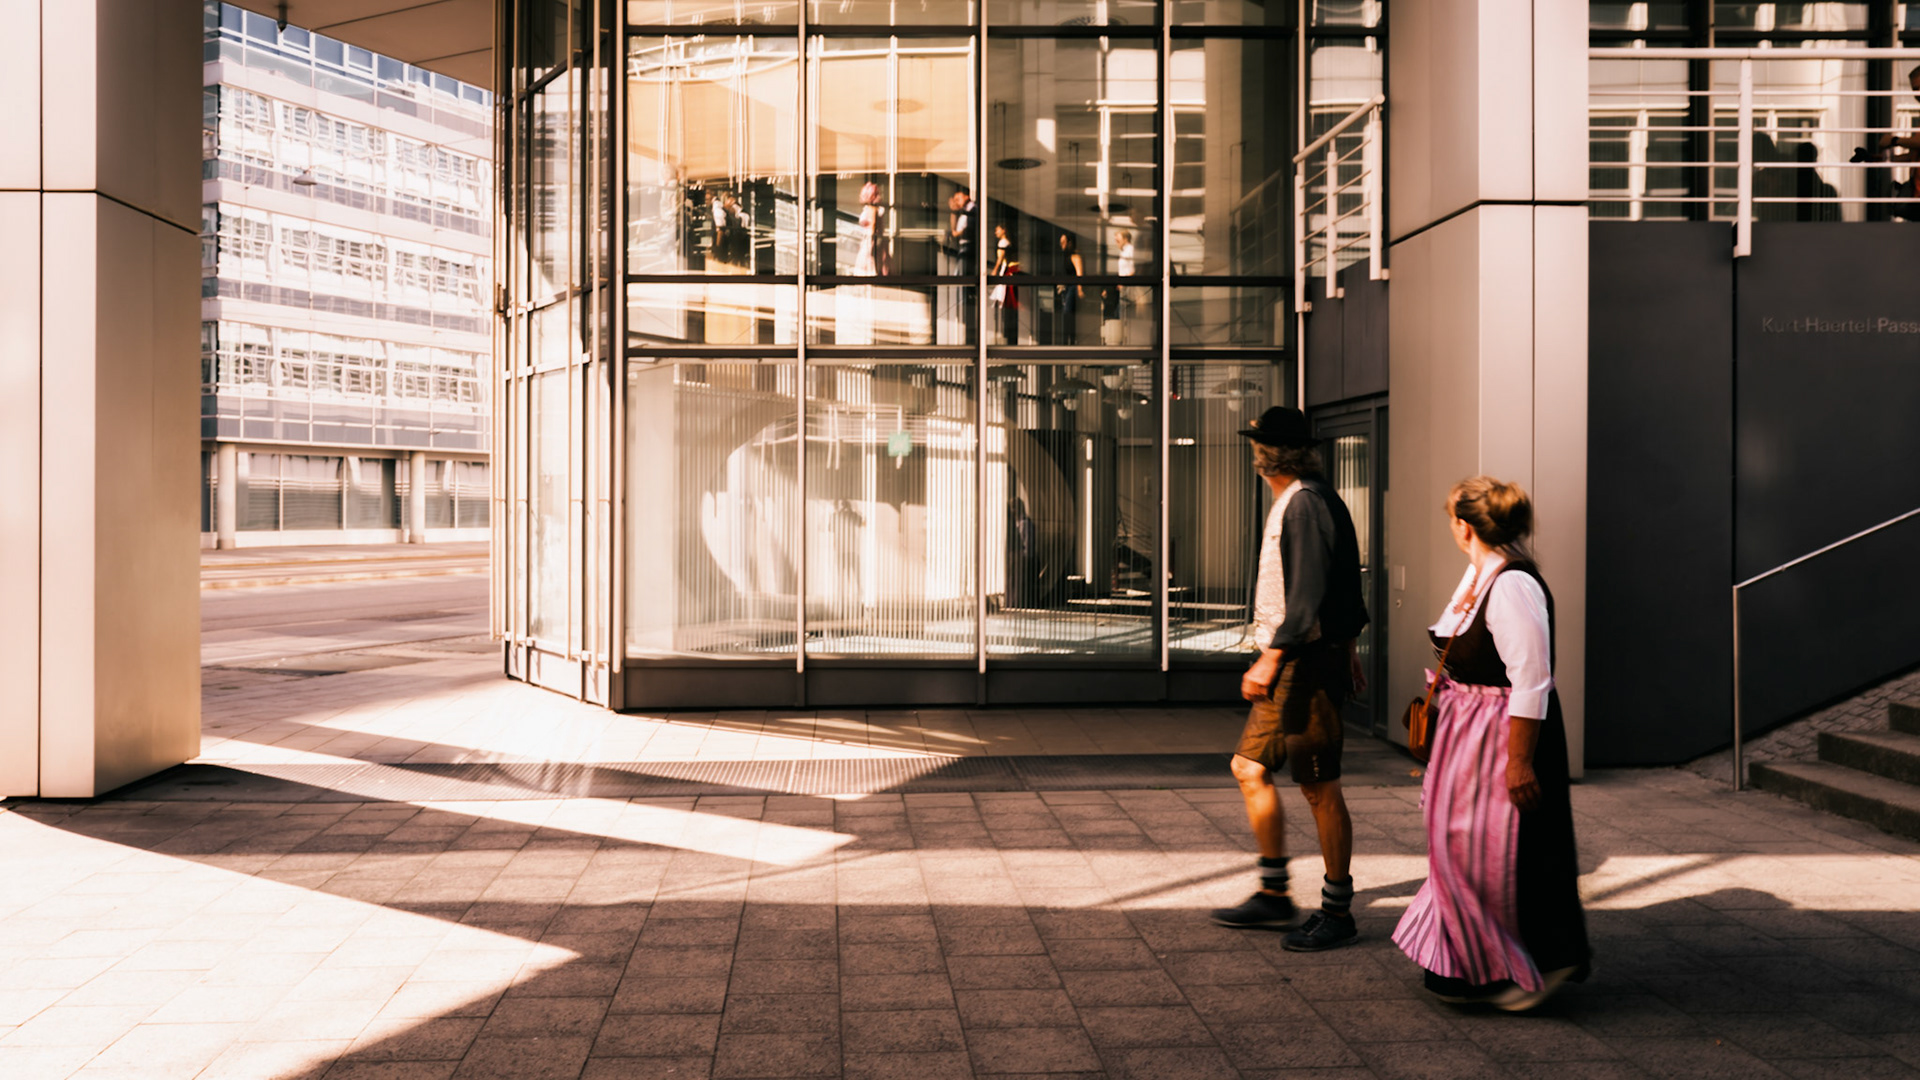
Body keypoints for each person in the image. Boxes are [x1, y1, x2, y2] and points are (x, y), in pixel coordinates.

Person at [1391, 476, 1592, 1011]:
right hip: (1470, 729)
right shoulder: (1483, 573)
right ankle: (1477, 961)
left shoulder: (1512, 585)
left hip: (1503, 734)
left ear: (1463, 525)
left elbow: (1531, 678)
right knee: (1460, 844)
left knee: (1507, 850)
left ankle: (1541, 961)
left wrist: (1520, 762)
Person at [1212, 406, 1370, 953]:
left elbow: (1305, 598)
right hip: (1305, 658)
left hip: (1302, 663)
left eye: (1256, 446)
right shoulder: (1310, 499)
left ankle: (1337, 911)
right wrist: (1351, 648)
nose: (1253, 454)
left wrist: (1270, 660)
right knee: (1249, 767)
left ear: (1267, 455)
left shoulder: (1304, 505)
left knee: (1318, 786)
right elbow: (1345, 587)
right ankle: (1275, 893)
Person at [992, 224, 1020, 345]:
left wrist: (995, 271)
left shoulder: (1003, 243)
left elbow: (1000, 259)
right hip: (1007, 271)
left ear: (1004, 230)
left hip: (1006, 271)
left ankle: (1005, 334)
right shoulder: (1006, 242)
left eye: (997, 229)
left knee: (1004, 301)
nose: (995, 232)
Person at [1055, 234, 1084, 345]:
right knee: (1066, 315)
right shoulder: (1065, 257)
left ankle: (1070, 342)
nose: (1061, 244)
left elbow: (1079, 274)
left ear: (1069, 243)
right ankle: (1067, 342)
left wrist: (1080, 289)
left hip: (1073, 288)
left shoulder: (1075, 256)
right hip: (1067, 289)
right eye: (1060, 242)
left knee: (1068, 315)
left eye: (1064, 242)